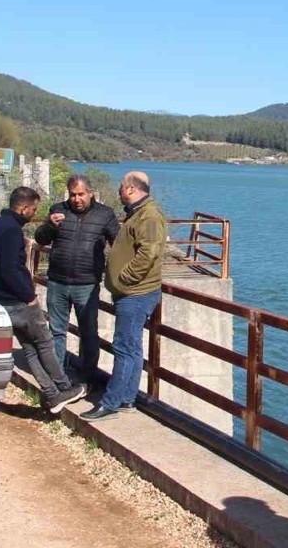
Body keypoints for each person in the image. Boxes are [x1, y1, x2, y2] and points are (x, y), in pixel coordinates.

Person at [0, 186, 86, 414]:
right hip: (17, 300)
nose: (33, 214)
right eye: (33, 209)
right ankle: (64, 387)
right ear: (24, 207)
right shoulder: (11, 230)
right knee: (44, 342)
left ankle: (51, 394)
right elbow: (10, 269)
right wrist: (28, 296)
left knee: (29, 347)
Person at [80, 171, 167, 422]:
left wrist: (124, 278)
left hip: (136, 293)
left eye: (121, 187)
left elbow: (149, 253)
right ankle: (127, 398)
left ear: (130, 189)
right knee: (132, 348)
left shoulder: (149, 215)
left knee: (124, 347)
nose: (118, 191)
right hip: (133, 292)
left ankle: (111, 402)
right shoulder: (139, 213)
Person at [34, 174, 120, 380]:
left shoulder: (105, 214)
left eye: (81, 194)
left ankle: (88, 377)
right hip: (57, 282)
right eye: (73, 195)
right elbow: (40, 239)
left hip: (87, 284)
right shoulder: (57, 210)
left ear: (91, 193)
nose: (76, 199)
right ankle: (58, 378)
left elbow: (119, 244)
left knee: (88, 333)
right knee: (56, 332)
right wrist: (49, 225)